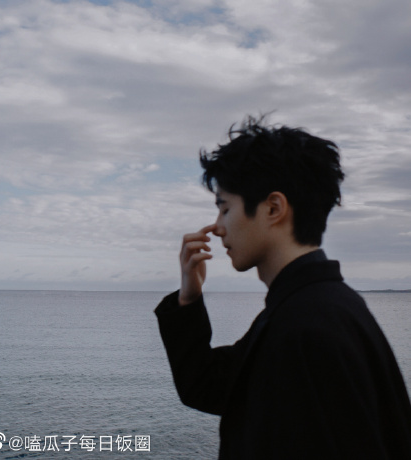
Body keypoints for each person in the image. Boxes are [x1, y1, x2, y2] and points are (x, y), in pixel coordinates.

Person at [155, 116, 411, 459]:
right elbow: (210, 387)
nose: (216, 228)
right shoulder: (312, 307)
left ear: (273, 208)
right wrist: (189, 298)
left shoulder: (307, 325)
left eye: (225, 209)